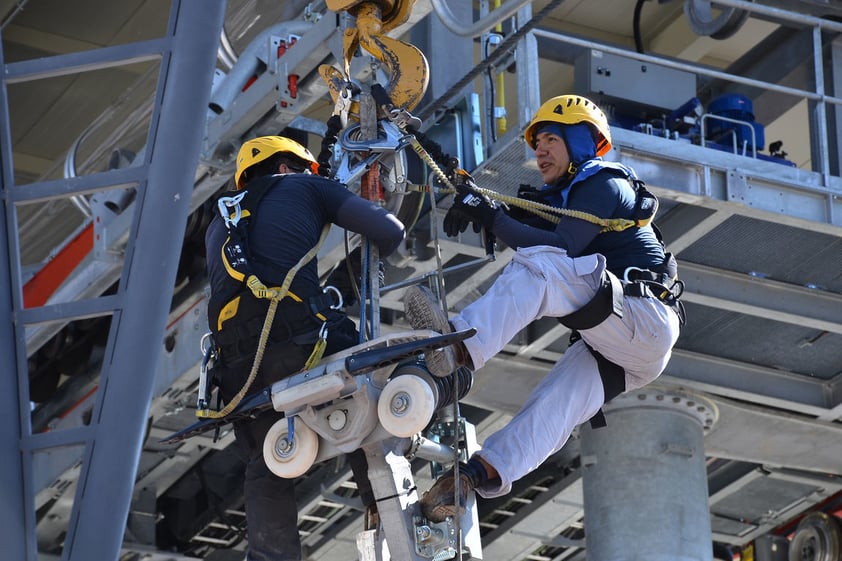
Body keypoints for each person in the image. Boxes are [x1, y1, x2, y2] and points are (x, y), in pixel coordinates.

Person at [403, 94, 684, 521]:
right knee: (557, 403)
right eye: (538, 143)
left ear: (583, 140)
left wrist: (494, 218)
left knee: (541, 265)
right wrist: (486, 209)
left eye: (552, 138)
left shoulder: (604, 182)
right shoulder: (571, 197)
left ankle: (459, 349)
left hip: (641, 315)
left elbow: (562, 246)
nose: (540, 150)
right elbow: (531, 224)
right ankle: (477, 475)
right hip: (629, 343)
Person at [205, 135, 405, 561]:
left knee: (266, 465)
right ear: (285, 167)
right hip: (300, 346)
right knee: (368, 399)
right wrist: (361, 266)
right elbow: (390, 230)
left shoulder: (217, 224)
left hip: (239, 373)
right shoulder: (305, 186)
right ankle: (393, 516)